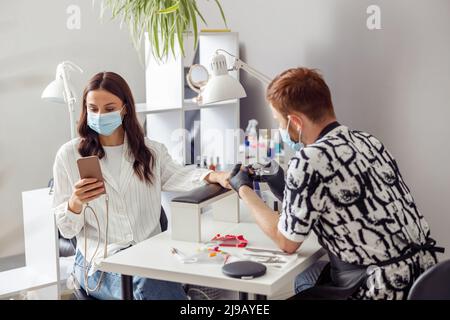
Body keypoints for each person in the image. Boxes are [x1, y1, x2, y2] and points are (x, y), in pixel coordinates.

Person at [229, 67, 444, 299]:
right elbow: (343, 205)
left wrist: (244, 188)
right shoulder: (367, 141)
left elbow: (286, 242)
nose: (281, 129)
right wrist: (284, 186)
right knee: (306, 279)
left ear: (295, 121)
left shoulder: (308, 159)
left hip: (380, 288)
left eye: (280, 122)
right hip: (425, 277)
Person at [52, 71, 230, 300]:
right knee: (150, 284)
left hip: (149, 256)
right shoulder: (68, 155)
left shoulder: (150, 151)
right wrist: (75, 203)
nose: (99, 115)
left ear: (124, 108)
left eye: (109, 108)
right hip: (99, 264)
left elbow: (180, 174)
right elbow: (66, 230)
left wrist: (212, 176)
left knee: (153, 280)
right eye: (92, 109)